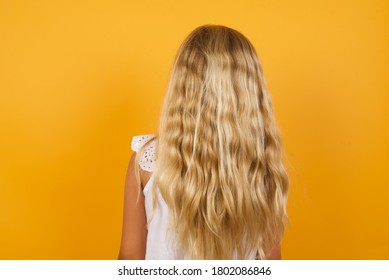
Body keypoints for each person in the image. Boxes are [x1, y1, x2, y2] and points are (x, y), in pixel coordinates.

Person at [118, 25, 289, 260]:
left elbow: (129, 260)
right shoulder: (262, 167)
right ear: (249, 90)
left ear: (183, 86)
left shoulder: (147, 162)